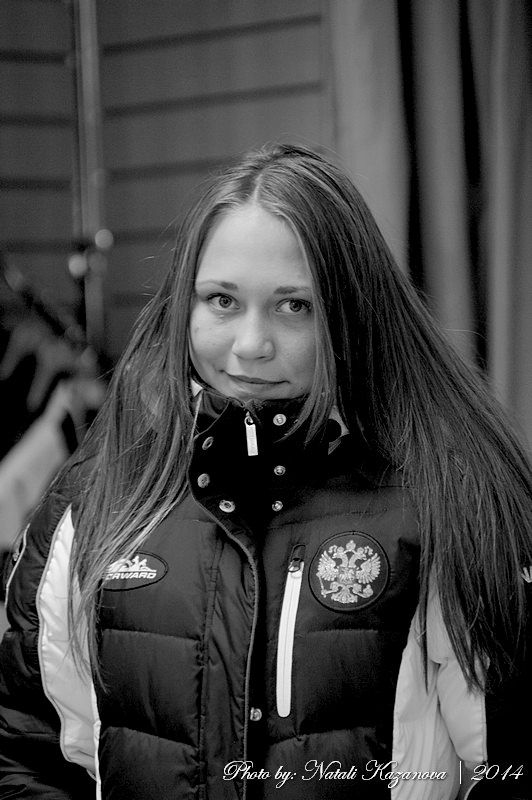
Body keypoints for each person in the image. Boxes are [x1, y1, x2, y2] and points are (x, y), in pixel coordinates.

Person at [0, 143, 531, 800]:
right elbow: (25, 749)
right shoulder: (97, 493)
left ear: (350, 313)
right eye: (222, 300)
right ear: (184, 305)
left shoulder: (450, 497)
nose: (251, 345)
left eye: (293, 305)